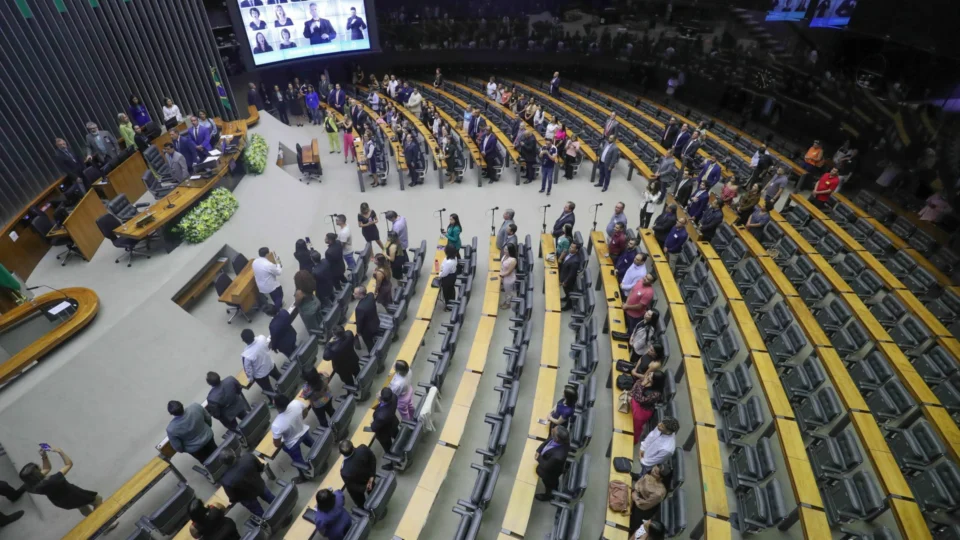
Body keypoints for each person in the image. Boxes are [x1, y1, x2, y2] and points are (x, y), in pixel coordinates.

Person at [19, 447, 110, 520]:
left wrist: (44, 457)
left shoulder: (31, 486)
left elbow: (47, 469)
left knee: (82, 507)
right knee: (97, 499)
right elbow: (68, 464)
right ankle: (101, 521)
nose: (40, 468)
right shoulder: (54, 479)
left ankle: (92, 519)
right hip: (74, 494)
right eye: (38, 469)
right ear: (37, 474)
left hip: (61, 501)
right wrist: (60, 452)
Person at [220, 449, 276, 517]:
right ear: (234, 454)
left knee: (259, 512)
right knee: (273, 500)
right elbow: (261, 468)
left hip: (247, 498)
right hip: (259, 485)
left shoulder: (226, 480)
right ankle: (281, 510)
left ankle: (269, 521)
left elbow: (233, 498)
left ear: (223, 463)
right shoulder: (248, 457)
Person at [271, 394, 315, 472]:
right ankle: (319, 452)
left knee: (298, 460)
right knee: (313, 445)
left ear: (275, 404)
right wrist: (299, 421)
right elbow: (305, 411)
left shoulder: (276, 424)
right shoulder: (296, 403)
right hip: (303, 431)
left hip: (292, 443)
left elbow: (277, 444)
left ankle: (305, 473)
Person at [534, 425, 571, 501]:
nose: (551, 429)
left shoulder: (558, 456)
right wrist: (539, 450)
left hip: (549, 473)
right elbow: (547, 441)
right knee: (554, 483)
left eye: (553, 431)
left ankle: (548, 496)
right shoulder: (560, 438)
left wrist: (538, 457)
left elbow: (546, 466)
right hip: (550, 461)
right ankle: (554, 487)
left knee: (549, 484)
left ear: (557, 438)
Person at [631, 369, 666, 443]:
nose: (648, 376)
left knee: (636, 427)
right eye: (650, 374)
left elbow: (641, 399)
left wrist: (642, 385)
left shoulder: (656, 394)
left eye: (651, 376)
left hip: (642, 411)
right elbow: (634, 388)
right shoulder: (646, 380)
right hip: (635, 402)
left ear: (655, 381)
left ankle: (634, 440)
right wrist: (639, 387)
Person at [338, 441, 377, 506]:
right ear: (352, 446)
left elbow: (351, 485)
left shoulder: (344, 471)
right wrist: (372, 476)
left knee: (361, 503)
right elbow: (373, 459)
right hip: (369, 477)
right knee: (374, 494)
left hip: (357, 489)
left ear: (340, 452)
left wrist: (364, 488)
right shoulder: (363, 448)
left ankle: (364, 511)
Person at [631, 468, 667, 533]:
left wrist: (636, 499)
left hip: (643, 507)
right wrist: (636, 492)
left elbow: (646, 505)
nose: (653, 471)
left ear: (661, 478)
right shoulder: (650, 474)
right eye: (654, 468)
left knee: (632, 521)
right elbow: (640, 482)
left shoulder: (659, 493)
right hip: (637, 494)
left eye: (656, 472)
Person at [371, 387, 400, 459]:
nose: (378, 392)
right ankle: (401, 444)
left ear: (382, 399)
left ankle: (392, 461)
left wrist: (372, 423)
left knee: (388, 447)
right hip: (393, 422)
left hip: (384, 433)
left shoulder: (381, 416)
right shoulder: (394, 396)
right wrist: (380, 400)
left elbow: (374, 428)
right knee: (397, 435)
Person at [252, 247, 283, 312]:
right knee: (279, 295)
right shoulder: (268, 265)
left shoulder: (254, 262)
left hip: (261, 285)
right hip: (270, 285)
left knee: (274, 294)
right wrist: (278, 264)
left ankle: (277, 305)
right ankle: (276, 310)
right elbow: (278, 272)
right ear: (266, 254)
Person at [354, 284, 381, 349]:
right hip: (376, 321)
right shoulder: (371, 295)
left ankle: (372, 353)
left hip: (368, 330)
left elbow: (359, 322)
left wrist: (358, 332)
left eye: (355, 293)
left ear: (360, 295)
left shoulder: (359, 308)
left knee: (369, 342)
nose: (353, 294)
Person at [559, 242, 582, 312]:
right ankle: (566, 298)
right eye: (570, 246)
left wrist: (565, 282)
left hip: (568, 281)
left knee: (569, 292)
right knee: (566, 291)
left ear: (576, 250)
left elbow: (572, 274)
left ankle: (568, 306)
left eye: (572, 248)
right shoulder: (570, 254)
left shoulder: (575, 261)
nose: (570, 248)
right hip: (564, 274)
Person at [439, 245, 459, 310]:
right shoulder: (454, 258)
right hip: (453, 276)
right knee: (451, 289)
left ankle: (449, 307)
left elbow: (444, 274)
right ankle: (451, 304)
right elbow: (444, 262)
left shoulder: (449, 263)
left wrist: (439, 274)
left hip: (448, 278)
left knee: (447, 292)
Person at [499, 243, 519, 310]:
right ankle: (507, 300)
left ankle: (508, 304)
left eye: (506, 250)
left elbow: (508, 272)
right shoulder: (505, 256)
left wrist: (501, 275)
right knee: (506, 291)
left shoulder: (513, 260)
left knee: (508, 292)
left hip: (509, 279)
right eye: (504, 249)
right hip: (504, 276)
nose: (504, 251)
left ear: (510, 251)